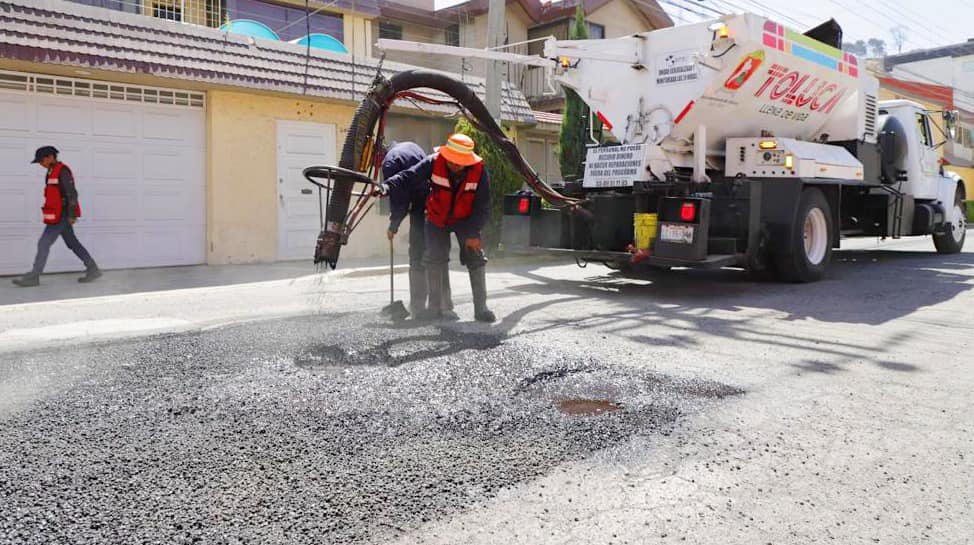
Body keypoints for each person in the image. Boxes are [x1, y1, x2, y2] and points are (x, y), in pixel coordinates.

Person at [382, 133, 495, 323]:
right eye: (452, 161)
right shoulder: (434, 162)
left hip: (465, 220)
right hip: (437, 219)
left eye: (460, 162)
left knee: (475, 257)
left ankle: (481, 308)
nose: (455, 165)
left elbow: (483, 207)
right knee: (434, 259)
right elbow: (408, 176)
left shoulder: (480, 172)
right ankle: (434, 309)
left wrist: (474, 233)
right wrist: (386, 186)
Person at [382, 141, 454, 319]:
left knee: (416, 255)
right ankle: (445, 305)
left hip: (420, 210)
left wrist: (393, 225)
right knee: (437, 254)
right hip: (434, 205)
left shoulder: (389, 162)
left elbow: (399, 197)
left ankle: (418, 307)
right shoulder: (413, 146)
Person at [12, 146, 101, 287]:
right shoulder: (51, 171)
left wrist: (72, 215)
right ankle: (93, 269)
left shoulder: (62, 171)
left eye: (41, 160)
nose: (41, 164)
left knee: (43, 243)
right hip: (58, 214)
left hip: (62, 214)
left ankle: (34, 276)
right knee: (72, 243)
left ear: (50, 157)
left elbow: (71, 193)